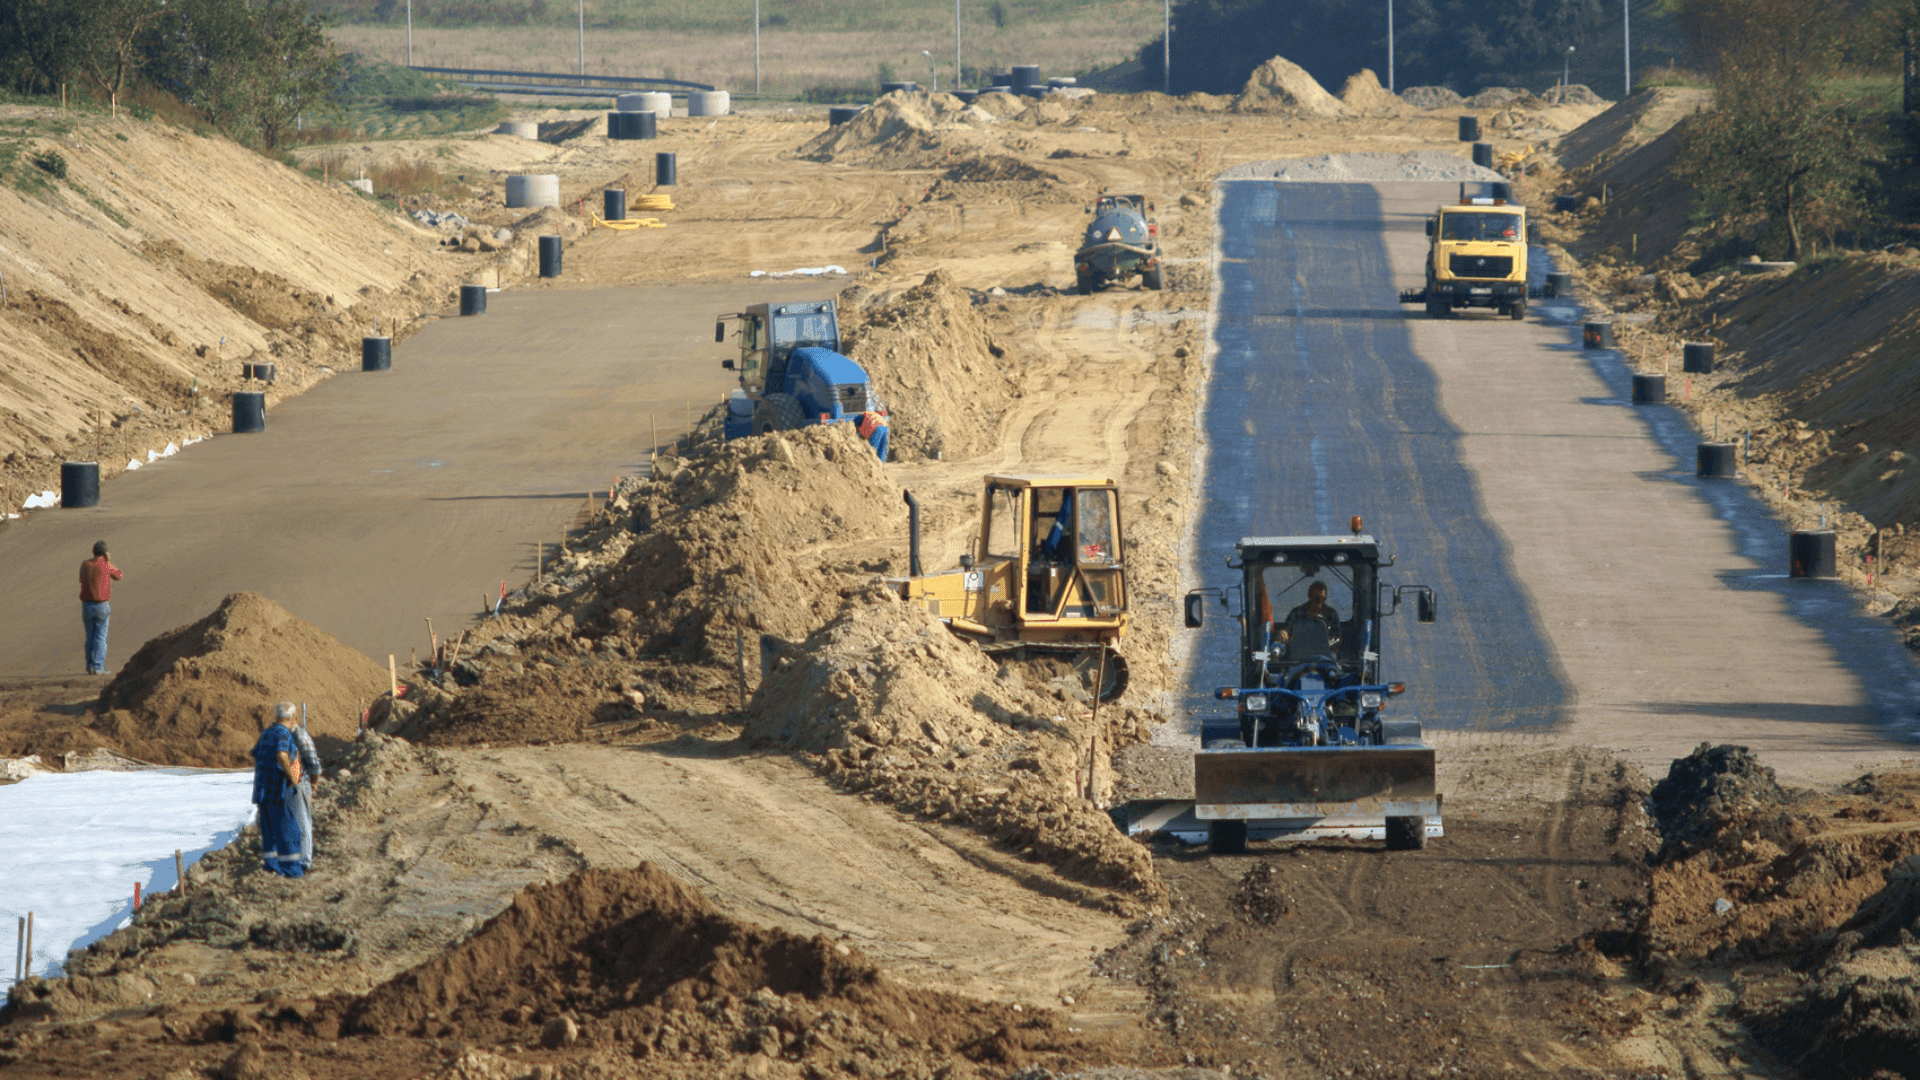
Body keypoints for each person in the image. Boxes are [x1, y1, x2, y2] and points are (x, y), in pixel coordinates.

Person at [250, 705, 305, 878]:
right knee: (287, 829)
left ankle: (271, 866)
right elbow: (282, 755)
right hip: (278, 790)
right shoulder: (283, 733)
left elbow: (257, 755)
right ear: (293, 717)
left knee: (269, 830)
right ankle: (292, 870)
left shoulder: (266, 733)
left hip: (262, 790)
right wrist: (293, 779)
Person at [282, 703, 324, 872]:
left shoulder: (300, 736)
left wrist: (313, 783)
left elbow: (313, 762)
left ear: (294, 720)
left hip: (300, 784)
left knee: (302, 823)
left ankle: (304, 861)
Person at [78, 541, 122, 675]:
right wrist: (108, 561)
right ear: (104, 553)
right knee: (100, 637)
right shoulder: (105, 565)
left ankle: (90, 665)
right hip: (101, 605)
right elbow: (118, 575)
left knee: (90, 637)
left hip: (87, 604)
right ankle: (98, 666)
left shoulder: (85, 564)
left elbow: (82, 578)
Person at [1277, 581, 1343, 652]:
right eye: (1315, 597)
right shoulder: (1297, 612)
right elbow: (1287, 629)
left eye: (1320, 598)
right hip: (1299, 652)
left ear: (1325, 598)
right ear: (1309, 596)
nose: (1317, 601)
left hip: (1326, 653)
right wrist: (1283, 633)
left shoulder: (1331, 614)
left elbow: (1337, 637)